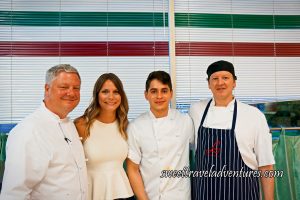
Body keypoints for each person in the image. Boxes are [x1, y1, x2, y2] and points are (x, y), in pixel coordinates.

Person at [189, 60, 275, 200]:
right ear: (209, 84)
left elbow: (266, 166)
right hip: (205, 193)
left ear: (234, 82)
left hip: (242, 193)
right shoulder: (196, 111)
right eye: (215, 78)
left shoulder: (254, 115)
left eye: (225, 78)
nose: (220, 83)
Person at [0, 64, 88, 200]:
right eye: (64, 87)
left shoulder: (69, 125)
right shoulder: (27, 131)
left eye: (76, 88)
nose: (71, 93)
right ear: (47, 89)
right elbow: (14, 194)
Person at [126, 71, 194, 200]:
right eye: (153, 91)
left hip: (180, 196)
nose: (159, 96)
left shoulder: (185, 121)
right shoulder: (136, 126)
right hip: (151, 196)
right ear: (146, 95)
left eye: (164, 91)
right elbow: (132, 169)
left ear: (171, 94)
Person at [74, 73, 134, 200]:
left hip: (123, 194)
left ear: (121, 96)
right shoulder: (82, 125)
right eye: (105, 91)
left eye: (116, 92)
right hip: (91, 194)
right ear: (97, 95)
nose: (111, 97)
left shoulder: (125, 125)